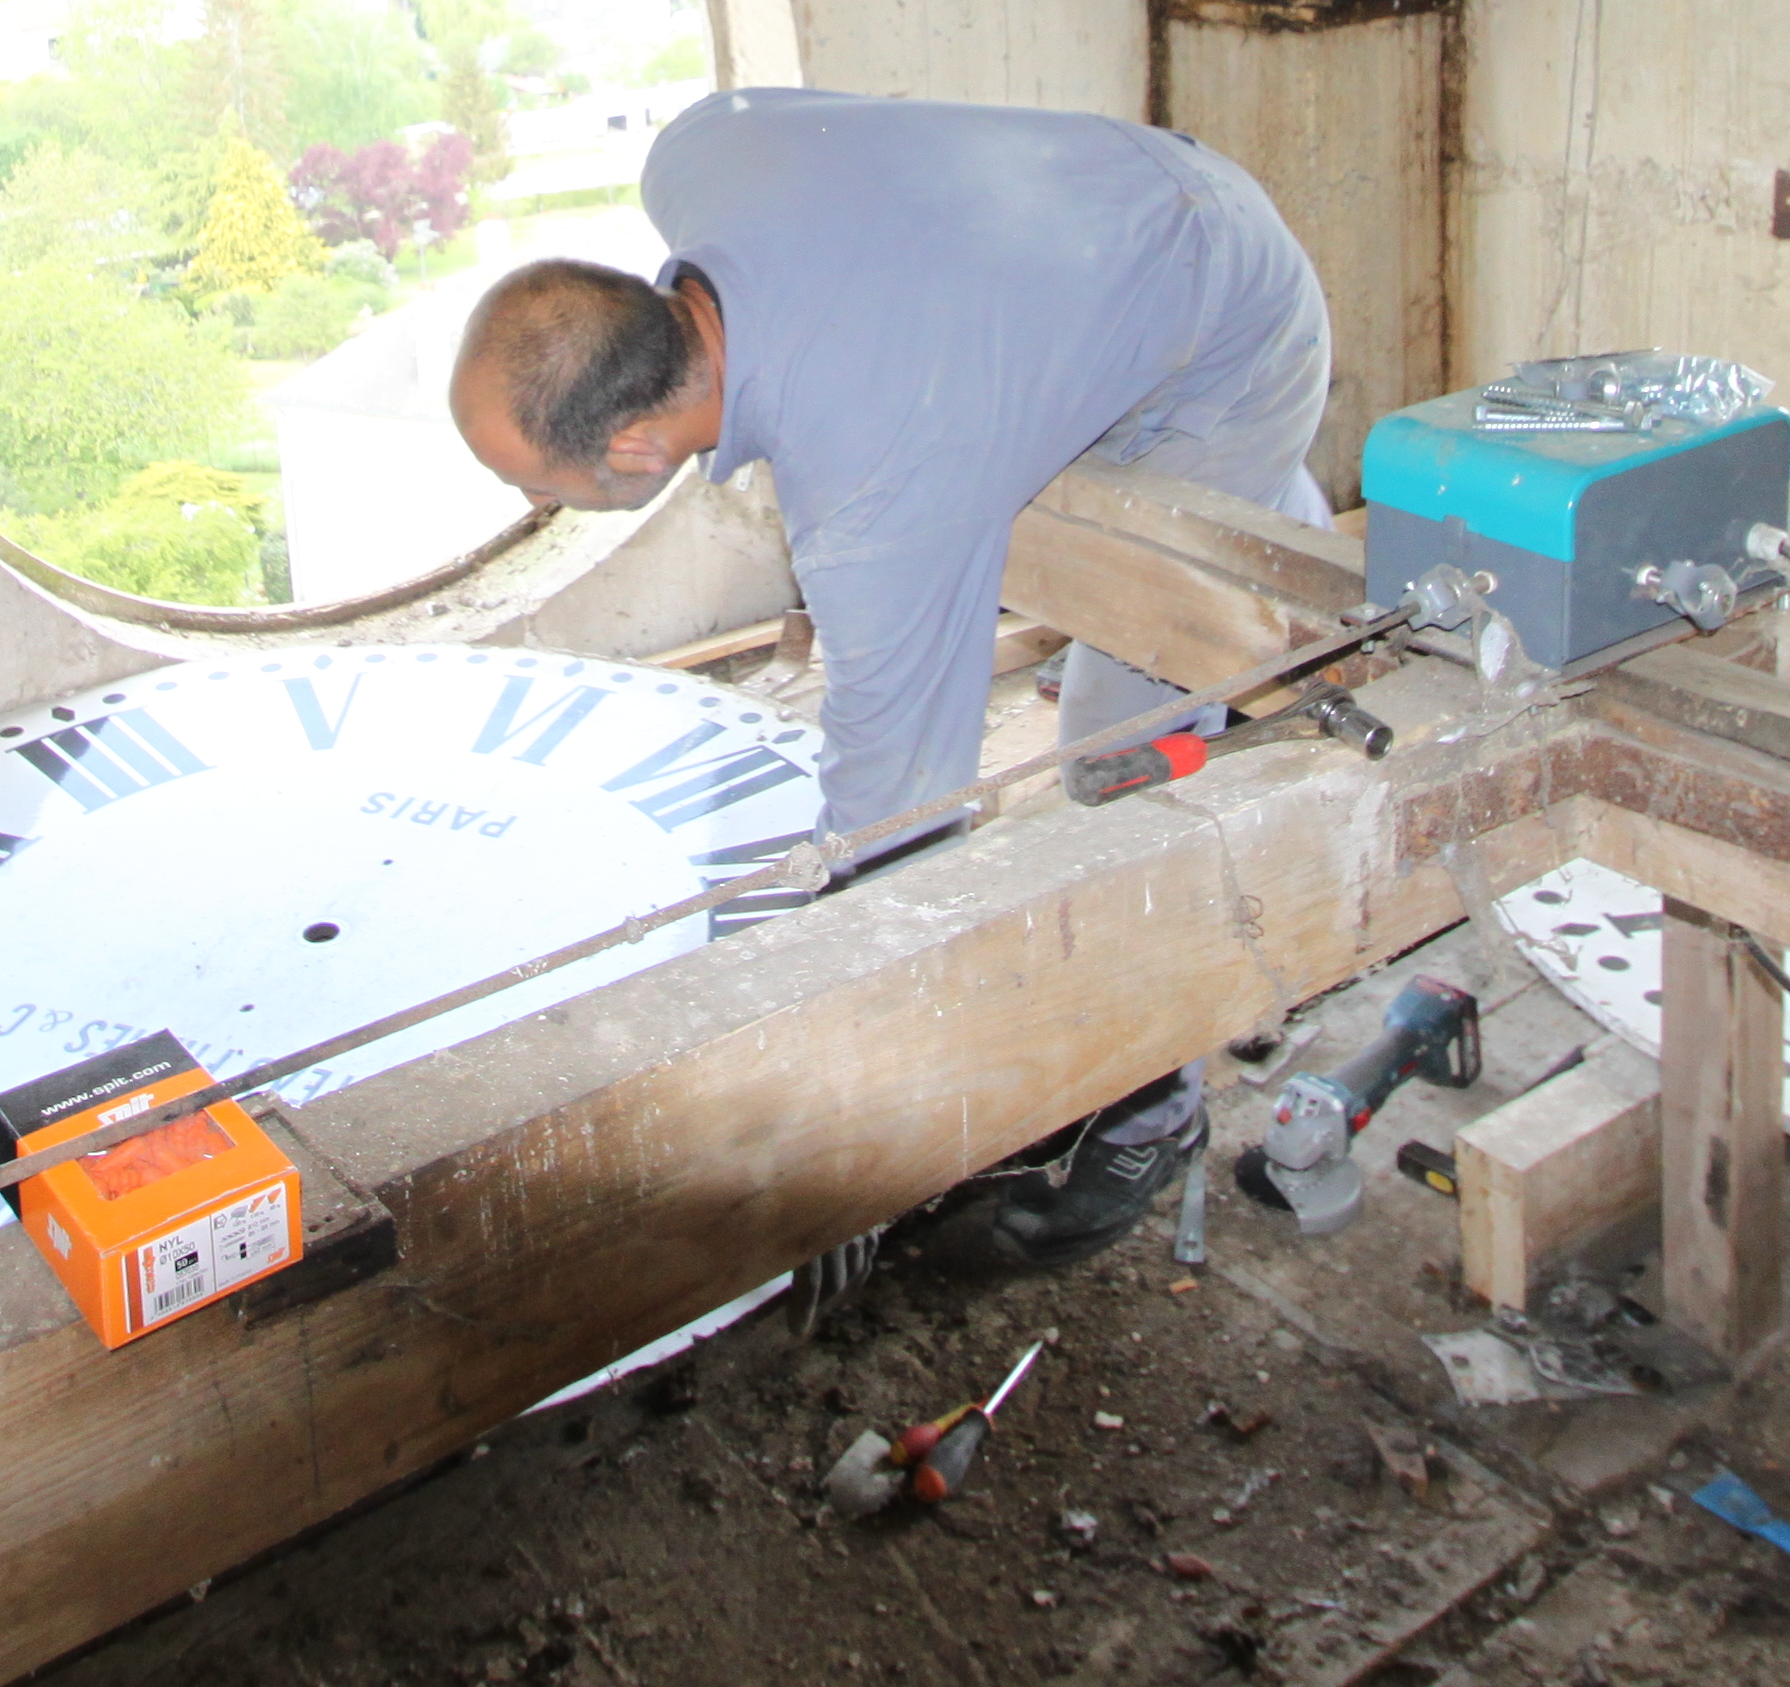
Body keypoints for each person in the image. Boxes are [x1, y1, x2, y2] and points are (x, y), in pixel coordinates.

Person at [446, 85, 1333, 1265]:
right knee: (981, 507)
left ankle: (1150, 1111)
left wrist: (824, 1042)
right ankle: (1259, 525)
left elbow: (903, 807)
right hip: (1104, 204)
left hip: (1230, 313)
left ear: (636, 447)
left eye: (537, 487)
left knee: (1119, 748)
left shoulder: (871, 490)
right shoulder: (700, 152)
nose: (527, 505)